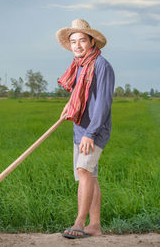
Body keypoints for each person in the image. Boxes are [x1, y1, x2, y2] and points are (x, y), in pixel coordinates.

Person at [56, 19, 115, 239]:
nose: (77, 45)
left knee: (83, 171)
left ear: (92, 41)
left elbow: (103, 102)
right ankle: (95, 226)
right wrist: (68, 105)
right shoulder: (79, 65)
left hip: (94, 130)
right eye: (73, 41)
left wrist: (91, 133)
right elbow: (81, 93)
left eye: (82, 40)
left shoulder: (101, 65)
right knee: (88, 175)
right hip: (80, 127)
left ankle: (80, 223)